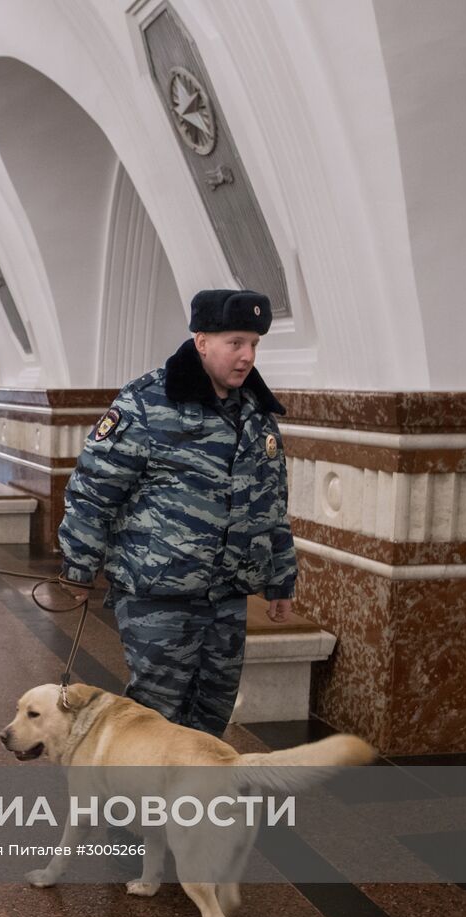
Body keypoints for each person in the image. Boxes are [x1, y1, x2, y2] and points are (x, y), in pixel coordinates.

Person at [57, 289, 296, 738]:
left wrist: (281, 579)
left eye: (254, 345)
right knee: (154, 720)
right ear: (202, 341)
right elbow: (93, 490)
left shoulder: (258, 413)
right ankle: (140, 808)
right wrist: (78, 567)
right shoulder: (147, 403)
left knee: (211, 718)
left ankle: (190, 807)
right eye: (236, 343)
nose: (247, 356)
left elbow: (273, 505)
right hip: (157, 594)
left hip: (227, 596)